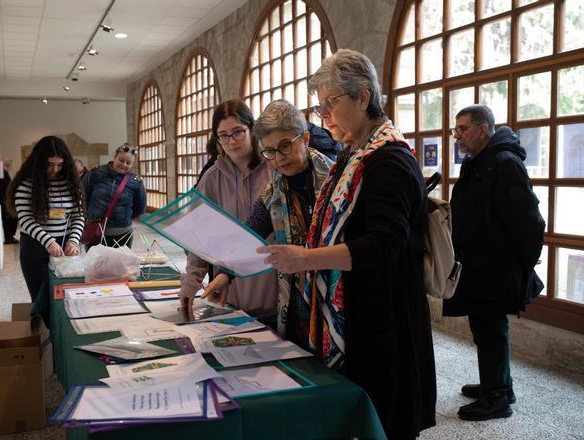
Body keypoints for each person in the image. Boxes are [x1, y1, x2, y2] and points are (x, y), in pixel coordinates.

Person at [257, 49, 436, 439]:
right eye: (320, 108)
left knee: (384, 420)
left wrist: (305, 258)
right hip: (356, 312)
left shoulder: (388, 160)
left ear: (363, 97)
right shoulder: (352, 155)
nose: (325, 117)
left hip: (384, 316)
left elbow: (384, 245)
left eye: (331, 104)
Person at [201, 99, 333, 347]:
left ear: (305, 139)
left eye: (285, 146)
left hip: (335, 296)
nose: (279, 158)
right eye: (269, 152)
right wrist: (225, 276)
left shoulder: (334, 181)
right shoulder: (274, 191)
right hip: (294, 300)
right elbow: (250, 234)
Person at [444, 104, 545, 421]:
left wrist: (520, 265)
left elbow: (530, 221)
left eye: (462, 129)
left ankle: (498, 398)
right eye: (455, 129)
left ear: (482, 130)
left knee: (490, 329)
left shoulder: (504, 163)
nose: (457, 136)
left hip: (496, 267)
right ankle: (499, 384)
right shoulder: (479, 161)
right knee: (485, 327)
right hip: (480, 265)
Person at [179, 99, 279, 323]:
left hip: (274, 292)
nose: (231, 141)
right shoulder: (211, 179)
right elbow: (198, 237)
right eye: (223, 135)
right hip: (229, 294)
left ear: (251, 129)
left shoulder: (274, 169)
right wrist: (191, 282)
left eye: (237, 132)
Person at [6, 136, 85, 301]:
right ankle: (44, 327)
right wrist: (49, 242)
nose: (54, 170)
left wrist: (73, 240)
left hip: (64, 245)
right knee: (43, 299)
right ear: (38, 161)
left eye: (59, 165)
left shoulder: (71, 183)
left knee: (67, 297)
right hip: (35, 248)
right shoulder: (26, 185)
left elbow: (78, 216)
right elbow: (26, 221)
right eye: (49, 165)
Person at [83, 143, 146, 249]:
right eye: (121, 160)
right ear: (114, 157)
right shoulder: (96, 173)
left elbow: (140, 208)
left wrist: (123, 217)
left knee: (119, 265)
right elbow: (84, 197)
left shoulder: (135, 182)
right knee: (94, 264)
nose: (124, 165)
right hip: (95, 233)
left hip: (123, 234)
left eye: (128, 163)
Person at [0, 158, 18, 244]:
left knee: (10, 219)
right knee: (9, 219)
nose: (12, 168)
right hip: (4, 201)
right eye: (12, 167)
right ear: (9, 166)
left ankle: (10, 236)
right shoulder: (2, 173)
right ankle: (9, 237)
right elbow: (5, 188)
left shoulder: (2, 173)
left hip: (3, 200)